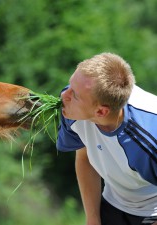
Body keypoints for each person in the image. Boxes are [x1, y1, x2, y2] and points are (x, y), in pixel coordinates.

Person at [57, 53, 157, 225]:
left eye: (74, 95)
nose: (64, 95)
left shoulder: (149, 138)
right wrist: (93, 219)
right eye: (70, 86)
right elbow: (85, 157)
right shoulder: (75, 107)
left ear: (101, 112)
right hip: (114, 201)